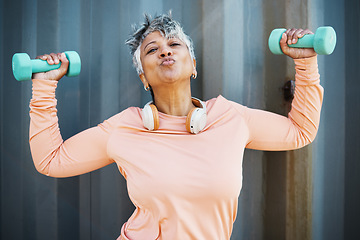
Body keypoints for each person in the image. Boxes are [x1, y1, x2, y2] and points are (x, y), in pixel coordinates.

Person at [29, 13, 323, 240]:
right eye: (152, 49)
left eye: (174, 44)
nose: (165, 52)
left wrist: (306, 63)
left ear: (193, 64)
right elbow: (51, 160)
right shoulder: (125, 128)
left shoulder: (230, 118)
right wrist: (43, 87)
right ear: (143, 77)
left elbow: (301, 131)